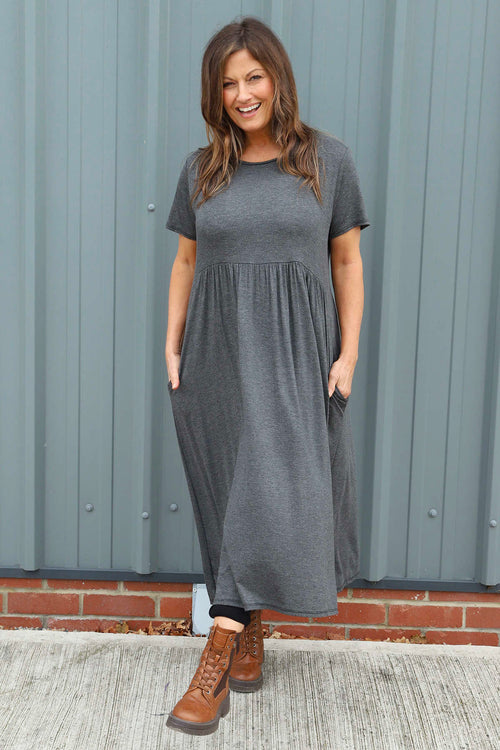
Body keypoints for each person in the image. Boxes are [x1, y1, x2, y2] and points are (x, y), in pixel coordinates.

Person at [164, 15, 370, 736]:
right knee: (228, 492)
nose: (243, 94)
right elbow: (186, 260)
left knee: (267, 484)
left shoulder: (327, 160)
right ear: (214, 94)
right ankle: (248, 628)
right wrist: (171, 345)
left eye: (254, 77)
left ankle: (216, 655)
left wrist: (347, 355)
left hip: (295, 354)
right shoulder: (202, 170)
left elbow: (347, 260)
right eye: (228, 83)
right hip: (216, 353)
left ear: (278, 79)